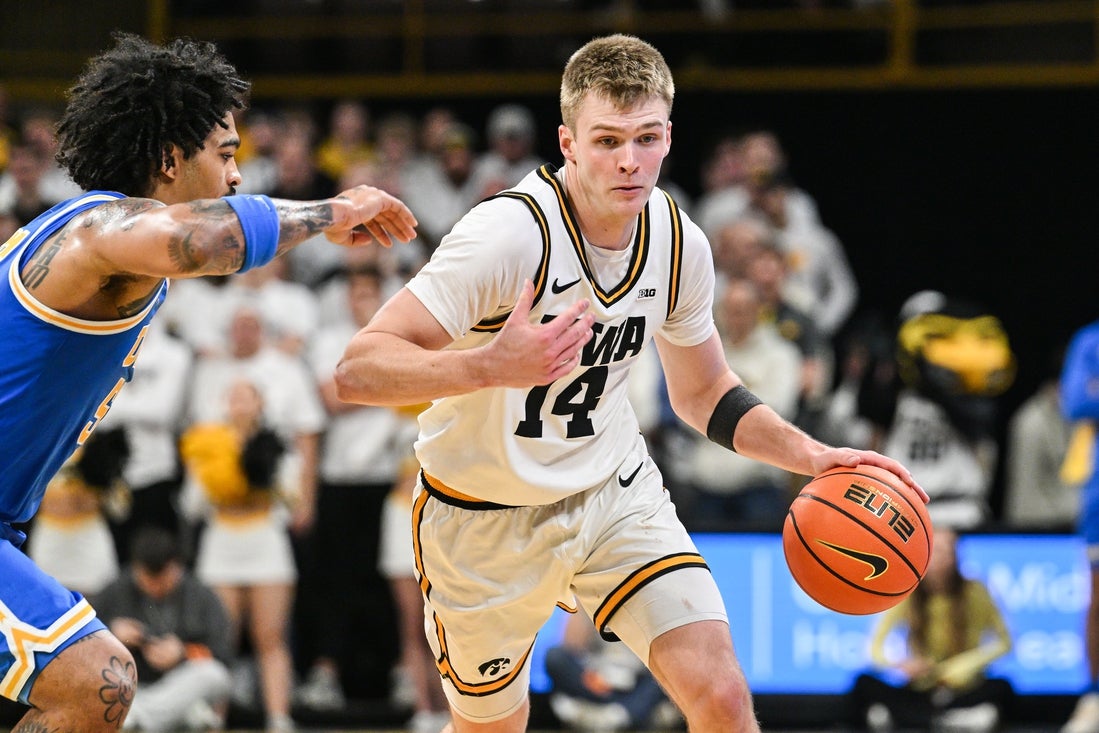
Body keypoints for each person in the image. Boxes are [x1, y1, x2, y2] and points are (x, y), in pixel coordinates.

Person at [333, 33, 923, 733]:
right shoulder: (507, 236)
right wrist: (487, 365)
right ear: (567, 142)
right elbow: (357, 369)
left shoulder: (678, 242)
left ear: (668, 137)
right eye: (607, 140)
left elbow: (703, 392)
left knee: (723, 696)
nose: (628, 160)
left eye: (646, 138)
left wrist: (813, 456)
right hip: (480, 515)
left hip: (613, 495)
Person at [0, 32, 416, 732]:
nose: (236, 176)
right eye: (225, 154)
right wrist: (331, 212)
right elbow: (204, 239)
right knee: (97, 680)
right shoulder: (100, 230)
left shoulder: (96, 245)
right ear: (168, 160)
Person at [180, 378, 301, 732]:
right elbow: (191, 506)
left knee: (270, 637)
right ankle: (215, 718)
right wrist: (209, 475)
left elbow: (292, 501)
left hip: (265, 541)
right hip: (221, 542)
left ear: (260, 404)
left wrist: (262, 473)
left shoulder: (276, 443)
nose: (239, 403)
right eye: (232, 397)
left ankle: (279, 718)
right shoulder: (209, 443)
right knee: (222, 638)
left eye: (247, 397)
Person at [848, 527, 1014, 733]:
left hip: (963, 689)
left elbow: (1005, 643)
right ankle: (943, 720)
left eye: (947, 551)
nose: (940, 559)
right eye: (935, 552)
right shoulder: (907, 592)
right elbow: (875, 647)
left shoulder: (976, 591)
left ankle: (913, 720)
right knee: (863, 683)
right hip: (920, 687)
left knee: (1003, 687)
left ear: (956, 556)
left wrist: (963, 666)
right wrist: (901, 665)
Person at [92, 526, 234, 732]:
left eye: (162, 579)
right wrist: (110, 634)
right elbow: (83, 644)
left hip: (178, 686)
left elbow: (223, 654)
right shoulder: (115, 591)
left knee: (214, 675)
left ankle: (135, 716)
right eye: (148, 579)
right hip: (128, 684)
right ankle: (180, 716)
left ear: (176, 567)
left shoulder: (200, 595)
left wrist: (183, 652)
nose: (155, 587)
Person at [1059, 319, 1099, 733]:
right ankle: (1094, 697)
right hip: (1098, 491)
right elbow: (1076, 403)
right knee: (1098, 595)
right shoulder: (1089, 340)